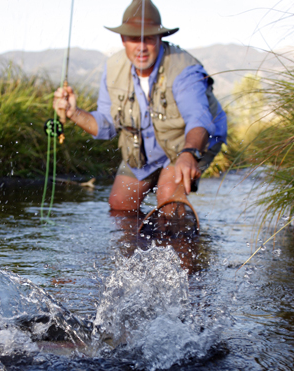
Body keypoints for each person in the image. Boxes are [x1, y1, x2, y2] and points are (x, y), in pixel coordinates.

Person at [53, 0, 227, 216]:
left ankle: (184, 244)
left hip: (192, 142)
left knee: (167, 200)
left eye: (149, 39)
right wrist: (74, 113)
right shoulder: (114, 68)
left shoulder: (184, 69)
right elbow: (106, 124)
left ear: (160, 38)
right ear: (123, 39)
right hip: (145, 146)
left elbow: (199, 121)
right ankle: (134, 248)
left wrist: (190, 153)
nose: (141, 47)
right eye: (135, 39)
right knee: (119, 204)